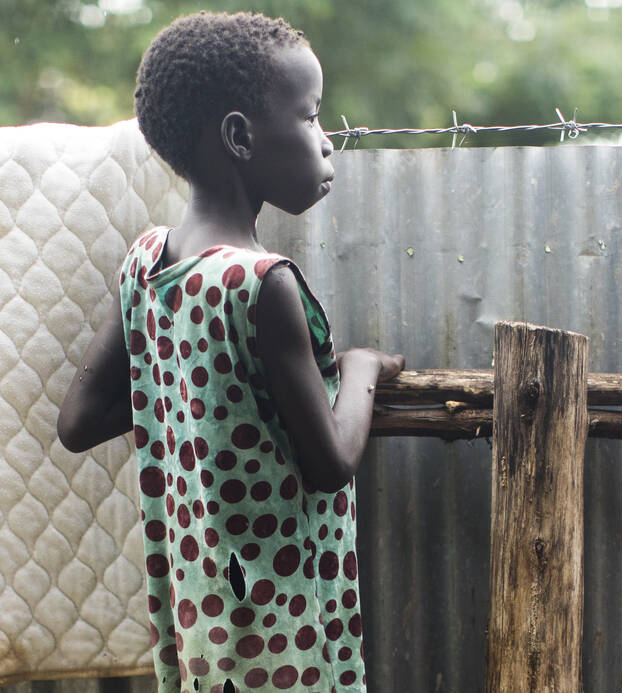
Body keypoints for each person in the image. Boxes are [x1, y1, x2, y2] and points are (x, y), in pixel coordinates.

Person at [56, 11, 402, 693]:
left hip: (202, 628)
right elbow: (330, 463)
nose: (326, 140)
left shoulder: (146, 264)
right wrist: (362, 368)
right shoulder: (262, 283)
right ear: (241, 137)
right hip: (287, 638)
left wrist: (186, 388)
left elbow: (78, 421)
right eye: (310, 116)